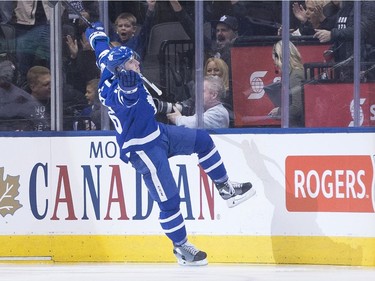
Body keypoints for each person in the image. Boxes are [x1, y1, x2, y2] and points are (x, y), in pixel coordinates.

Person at [85, 22, 255, 266]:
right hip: (142, 149)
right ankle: (181, 247)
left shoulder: (109, 65)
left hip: (157, 132)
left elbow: (100, 48)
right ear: (122, 70)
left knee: (202, 140)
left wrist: (95, 30)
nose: (137, 64)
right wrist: (130, 85)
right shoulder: (116, 90)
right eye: (132, 63)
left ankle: (225, 188)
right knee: (170, 200)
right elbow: (130, 99)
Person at [313, 1, 375, 81]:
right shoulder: (345, 7)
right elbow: (342, 30)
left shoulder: (368, 5)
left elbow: (362, 30)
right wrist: (333, 50)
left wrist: (332, 34)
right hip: (345, 67)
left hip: (365, 65)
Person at [268, 40, 304, 127]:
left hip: (297, 130)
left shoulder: (295, 76)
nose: (275, 63)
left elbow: (297, 108)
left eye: (275, 59)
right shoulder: (291, 75)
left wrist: (279, 111)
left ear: (281, 57)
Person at [0, 60, 40, 131]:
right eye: (3, 75)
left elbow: (37, 119)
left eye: (8, 75)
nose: (6, 77)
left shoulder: (23, 97)